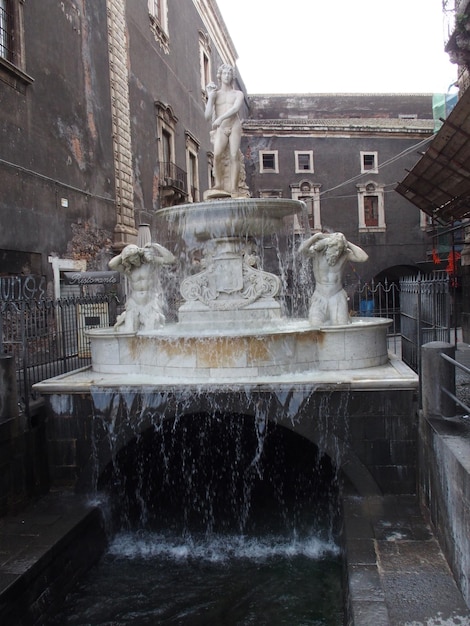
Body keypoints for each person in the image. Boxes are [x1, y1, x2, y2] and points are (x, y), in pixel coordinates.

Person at [298, 232, 368, 325]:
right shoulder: (317, 253)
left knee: (341, 327)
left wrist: (346, 242)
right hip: (319, 296)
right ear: (328, 246)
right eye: (335, 249)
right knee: (315, 328)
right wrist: (316, 237)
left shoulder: (344, 254)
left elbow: (363, 257)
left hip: (337, 296)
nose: (337, 252)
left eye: (339, 250)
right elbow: (301, 250)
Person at [109, 242, 175, 332]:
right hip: (134, 303)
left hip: (150, 303)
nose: (134, 261)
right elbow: (112, 264)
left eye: (135, 258)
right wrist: (124, 253)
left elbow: (170, 259)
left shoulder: (151, 263)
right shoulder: (128, 269)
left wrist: (155, 246)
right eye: (131, 260)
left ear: (139, 254)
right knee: (129, 331)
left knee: (150, 332)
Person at [205, 64, 244, 196]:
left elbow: (235, 109)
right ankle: (219, 183)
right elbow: (207, 115)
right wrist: (210, 97)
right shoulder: (215, 95)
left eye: (229, 73)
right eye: (224, 73)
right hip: (221, 128)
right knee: (216, 155)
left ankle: (234, 188)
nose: (227, 76)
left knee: (234, 155)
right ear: (220, 76)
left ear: (232, 76)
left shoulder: (238, 94)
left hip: (234, 125)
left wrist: (220, 118)